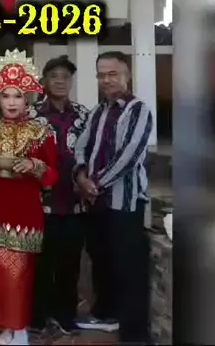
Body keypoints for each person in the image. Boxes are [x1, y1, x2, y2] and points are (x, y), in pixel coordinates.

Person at [0, 49, 59, 346]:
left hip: (24, 212)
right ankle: (7, 325)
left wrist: (35, 165)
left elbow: (53, 174)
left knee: (19, 273)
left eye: (18, 96)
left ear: (28, 99)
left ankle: (19, 328)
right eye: (5, 96)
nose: (11, 102)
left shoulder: (41, 132)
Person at [72, 51, 153, 343]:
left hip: (125, 203)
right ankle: (106, 314)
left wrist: (94, 184)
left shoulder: (139, 110)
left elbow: (129, 156)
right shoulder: (97, 112)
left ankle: (134, 333)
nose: (106, 80)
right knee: (102, 260)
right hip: (96, 202)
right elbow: (80, 147)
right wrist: (81, 176)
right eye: (101, 75)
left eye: (113, 74)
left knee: (128, 266)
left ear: (127, 76)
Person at [28, 55, 89, 335]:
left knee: (70, 262)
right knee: (41, 262)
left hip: (75, 202)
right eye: (55, 77)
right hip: (42, 202)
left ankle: (66, 316)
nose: (61, 82)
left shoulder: (84, 115)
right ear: (44, 81)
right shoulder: (32, 116)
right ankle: (39, 317)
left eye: (66, 77)